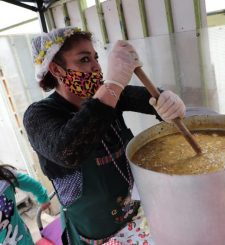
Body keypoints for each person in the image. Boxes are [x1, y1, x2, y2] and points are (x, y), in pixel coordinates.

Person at [23, 27, 185, 244]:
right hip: (94, 231)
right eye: (84, 59)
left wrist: (167, 100)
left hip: (136, 212)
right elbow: (68, 151)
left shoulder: (109, 95)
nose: (97, 67)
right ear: (56, 69)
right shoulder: (39, 115)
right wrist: (112, 85)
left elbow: (150, 98)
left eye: (96, 57)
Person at [0, 163, 50, 245]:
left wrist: (43, 198)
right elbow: (33, 184)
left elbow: (32, 184)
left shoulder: (5, 175)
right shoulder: (5, 174)